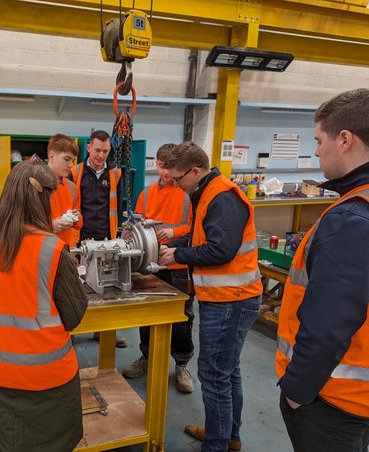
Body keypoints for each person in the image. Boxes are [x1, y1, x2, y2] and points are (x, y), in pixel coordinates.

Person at [0, 159, 88, 452]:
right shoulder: (51, 249)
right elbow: (74, 316)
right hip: (49, 377)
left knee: (13, 442)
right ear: (44, 198)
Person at [276, 88, 369, 452]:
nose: (316, 151)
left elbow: (329, 323)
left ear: (344, 140)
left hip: (334, 397)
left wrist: (297, 392)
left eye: (319, 141)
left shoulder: (349, 218)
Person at [158, 141, 262, 452]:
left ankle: (216, 445)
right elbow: (204, 237)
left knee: (214, 375)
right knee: (227, 371)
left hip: (231, 300)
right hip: (227, 297)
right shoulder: (205, 194)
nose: (175, 186)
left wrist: (179, 253)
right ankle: (228, 436)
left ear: (195, 170)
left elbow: (221, 249)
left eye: (177, 180)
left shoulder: (222, 197)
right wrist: (177, 245)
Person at [122, 143, 195, 394]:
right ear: (156, 164)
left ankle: (182, 364)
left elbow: (197, 228)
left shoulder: (188, 192)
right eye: (162, 166)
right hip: (150, 262)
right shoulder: (146, 193)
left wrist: (175, 232)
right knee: (148, 312)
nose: (165, 172)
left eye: (169, 167)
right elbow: (137, 226)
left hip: (178, 262)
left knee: (182, 317)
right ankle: (147, 357)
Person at [68, 129, 127, 348]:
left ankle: (104, 333)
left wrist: (114, 237)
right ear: (89, 148)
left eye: (105, 150)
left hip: (106, 237)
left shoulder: (116, 174)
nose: (101, 155)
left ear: (109, 149)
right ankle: (73, 328)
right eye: (97, 150)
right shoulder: (74, 173)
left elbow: (117, 205)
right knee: (76, 284)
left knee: (107, 286)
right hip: (80, 237)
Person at [47, 133, 82, 246]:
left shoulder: (72, 188)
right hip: (43, 252)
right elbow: (21, 224)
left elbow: (78, 225)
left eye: (73, 160)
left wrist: (77, 217)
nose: (71, 165)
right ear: (51, 156)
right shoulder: (34, 184)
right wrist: (50, 226)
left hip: (66, 251)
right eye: (66, 159)